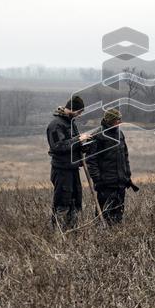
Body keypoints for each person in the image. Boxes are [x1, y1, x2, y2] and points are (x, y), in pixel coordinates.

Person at [84, 108, 137, 226]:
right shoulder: (98, 136)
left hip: (120, 184)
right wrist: (98, 180)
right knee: (103, 217)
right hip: (106, 185)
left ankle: (116, 236)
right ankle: (101, 237)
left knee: (118, 216)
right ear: (110, 120)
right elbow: (91, 161)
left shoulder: (120, 134)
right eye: (118, 120)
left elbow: (125, 156)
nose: (120, 122)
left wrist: (127, 176)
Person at [46, 94, 90, 230]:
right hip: (61, 171)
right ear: (72, 109)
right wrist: (78, 140)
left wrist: (85, 144)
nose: (79, 115)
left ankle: (72, 235)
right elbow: (58, 146)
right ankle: (58, 236)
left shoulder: (71, 123)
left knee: (74, 204)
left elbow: (73, 145)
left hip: (73, 169)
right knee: (62, 204)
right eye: (79, 112)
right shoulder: (55, 125)